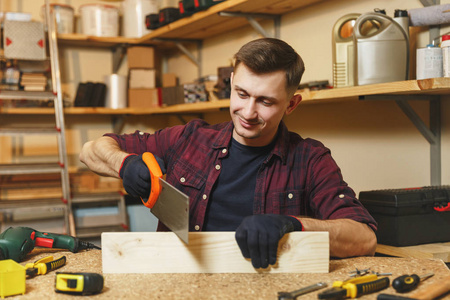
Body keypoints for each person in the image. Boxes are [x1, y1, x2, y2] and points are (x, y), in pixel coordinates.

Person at [80, 38, 377, 269]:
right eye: (242, 94)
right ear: (232, 82)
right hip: (176, 280)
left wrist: (295, 225)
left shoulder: (310, 159)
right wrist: (124, 164)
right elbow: (90, 151)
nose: (248, 112)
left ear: (292, 104)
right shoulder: (189, 138)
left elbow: (364, 238)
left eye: (266, 101)